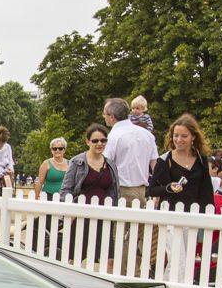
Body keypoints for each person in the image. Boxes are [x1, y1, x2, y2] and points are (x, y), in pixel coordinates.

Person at [61, 124, 121, 263]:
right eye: (95, 141)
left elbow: (114, 191)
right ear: (88, 142)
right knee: (73, 259)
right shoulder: (77, 162)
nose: (99, 144)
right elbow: (65, 189)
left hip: (103, 215)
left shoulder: (111, 164)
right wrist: (70, 211)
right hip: (80, 215)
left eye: (103, 140)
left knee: (108, 260)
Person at [148, 114, 215, 211]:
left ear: (193, 137)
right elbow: (152, 190)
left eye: (184, 136)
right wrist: (169, 188)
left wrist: (209, 215)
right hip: (170, 214)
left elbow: (207, 190)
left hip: (195, 215)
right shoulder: (164, 160)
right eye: (176, 135)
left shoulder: (201, 159)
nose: (179, 140)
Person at [102, 97, 157, 207]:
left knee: (121, 224)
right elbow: (155, 165)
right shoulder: (147, 135)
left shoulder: (114, 136)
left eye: (104, 114)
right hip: (142, 192)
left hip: (122, 191)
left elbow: (104, 164)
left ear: (112, 117)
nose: (103, 117)